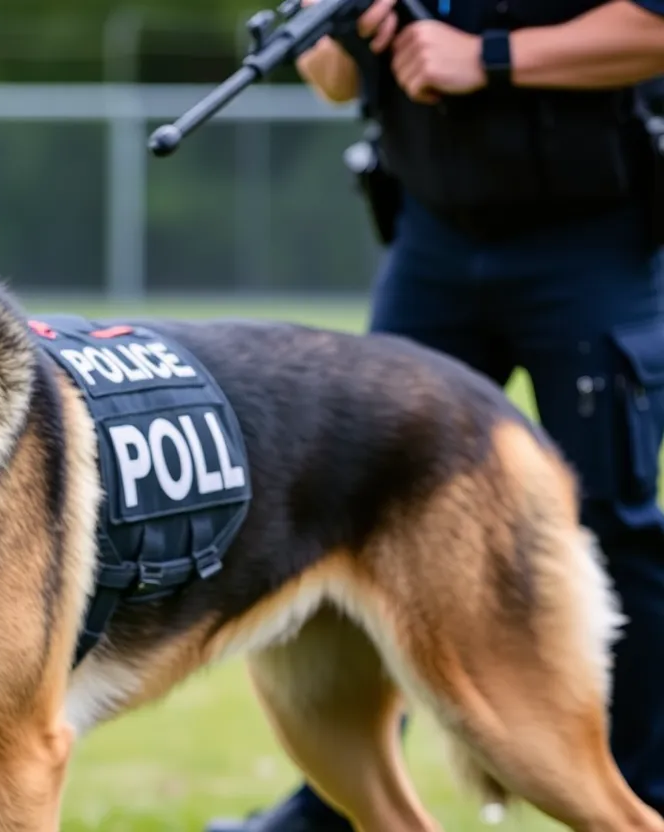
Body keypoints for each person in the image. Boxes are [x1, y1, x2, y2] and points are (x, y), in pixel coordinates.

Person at [206, 0, 664, 830]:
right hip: (434, 239)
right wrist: (340, 20)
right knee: (351, 511)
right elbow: (331, 80)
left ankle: (642, 799)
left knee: (616, 523)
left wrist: (487, 56)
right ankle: (337, 807)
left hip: (588, 240)